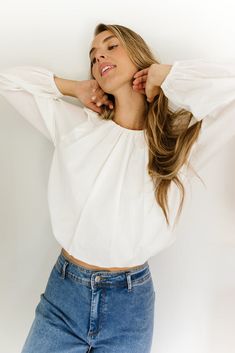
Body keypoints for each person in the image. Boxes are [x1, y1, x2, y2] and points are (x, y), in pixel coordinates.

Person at [0, 23, 235, 353]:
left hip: (130, 305)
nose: (99, 57)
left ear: (139, 56)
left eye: (111, 46)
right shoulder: (76, 126)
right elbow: (8, 81)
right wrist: (73, 88)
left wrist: (167, 76)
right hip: (65, 294)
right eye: (93, 56)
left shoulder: (178, 143)